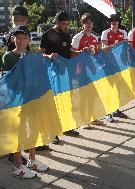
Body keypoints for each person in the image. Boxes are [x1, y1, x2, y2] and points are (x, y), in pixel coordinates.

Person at [2, 26, 49, 178]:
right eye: (18, 37)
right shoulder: (8, 57)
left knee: (33, 129)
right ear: (12, 39)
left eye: (24, 38)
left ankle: (32, 160)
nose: (21, 41)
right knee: (18, 132)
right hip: (16, 102)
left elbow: (37, 76)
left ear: (29, 40)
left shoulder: (31, 56)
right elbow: (9, 82)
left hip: (32, 99)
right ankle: (17, 165)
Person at [40, 11, 80, 144]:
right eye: (63, 24)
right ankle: (53, 132)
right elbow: (41, 54)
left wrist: (81, 52)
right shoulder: (47, 35)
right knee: (54, 103)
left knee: (67, 101)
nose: (66, 26)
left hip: (66, 73)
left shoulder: (67, 34)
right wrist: (49, 56)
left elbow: (69, 52)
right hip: (52, 74)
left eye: (67, 24)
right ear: (56, 22)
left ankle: (67, 127)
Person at [71, 13, 106, 128]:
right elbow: (70, 54)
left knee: (93, 95)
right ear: (82, 24)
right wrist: (82, 51)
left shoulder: (94, 39)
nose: (89, 25)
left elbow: (95, 54)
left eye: (90, 22)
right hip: (79, 71)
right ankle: (83, 120)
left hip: (91, 71)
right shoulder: (77, 37)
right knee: (83, 96)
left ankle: (93, 118)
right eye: (86, 22)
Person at [101, 14, 129, 120]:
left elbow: (126, 48)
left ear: (119, 22)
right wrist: (114, 47)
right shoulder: (105, 33)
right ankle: (108, 113)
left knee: (118, 88)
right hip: (108, 64)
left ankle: (116, 110)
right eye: (112, 20)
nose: (114, 22)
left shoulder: (123, 33)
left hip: (120, 65)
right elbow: (104, 48)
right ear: (110, 22)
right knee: (109, 88)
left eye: (116, 20)